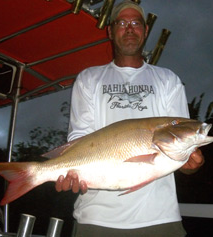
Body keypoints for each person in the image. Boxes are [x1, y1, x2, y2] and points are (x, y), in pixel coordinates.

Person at [55, 1, 204, 236]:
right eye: (122, 23)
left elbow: (179, 145)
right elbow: (79, 138)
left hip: (160, 218)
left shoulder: (168, 80)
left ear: (145, 31)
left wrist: (190, 164)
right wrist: (67, 170)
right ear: (111, 31)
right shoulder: (89, 79)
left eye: (136, 23)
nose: (129, 28)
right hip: (96, 218)